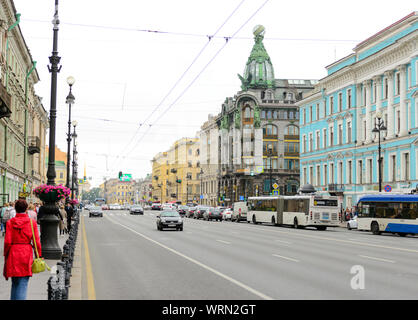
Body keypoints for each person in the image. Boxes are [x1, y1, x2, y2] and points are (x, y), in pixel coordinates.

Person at [3, 199, 42, 300]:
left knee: (15, 283)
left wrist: (6, 255)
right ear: (26, 209)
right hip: (26, 252)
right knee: (23, 283)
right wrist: (39, 255)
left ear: (15, 209)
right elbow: (36, 241)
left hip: (13, 252)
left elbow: (7, 242)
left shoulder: (10, 222)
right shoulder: (31, 223)